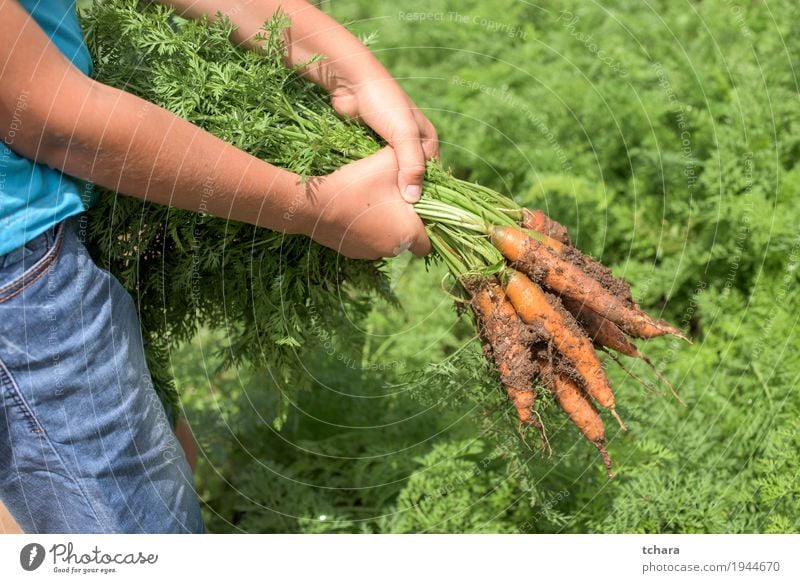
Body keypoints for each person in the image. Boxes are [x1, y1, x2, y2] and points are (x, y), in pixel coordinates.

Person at [0, 0, 438, 533]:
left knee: (138, 476)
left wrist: (354, 73)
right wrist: (312, 207)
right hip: (18, 278)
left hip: (42, 232)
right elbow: (52, 119)